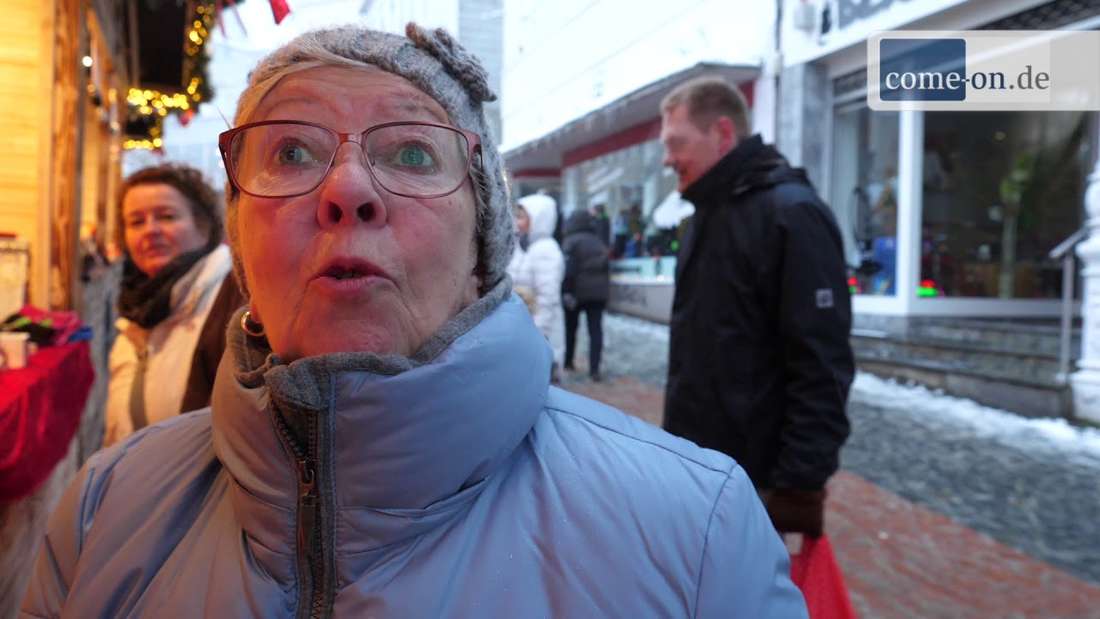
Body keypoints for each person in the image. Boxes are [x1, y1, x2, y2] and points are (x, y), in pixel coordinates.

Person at [21, 26, 806, 618]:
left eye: (413, 154)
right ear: (241, 243)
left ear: (481, 249)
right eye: (290, 152)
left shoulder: (696, 534)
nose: (347, 189)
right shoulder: (103, 510)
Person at [659, 76, 854, 539]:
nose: (667, 159)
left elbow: (821, 363)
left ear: (722, 133)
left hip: (757, 484)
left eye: (677, 143)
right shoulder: (704, 216)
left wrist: (799, 488)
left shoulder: (792, 214)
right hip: (700, 472)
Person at [103, 164, 245, 447]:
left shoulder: (232, 300)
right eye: (136, 222)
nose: (151, 230)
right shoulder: (138, 309)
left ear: (203, 226)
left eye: (167, 216)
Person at [509, 193, 565, 377]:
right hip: (526, 327)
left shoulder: (545, 250)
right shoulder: (524, 245)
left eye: (522, 217)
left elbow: (548, 297)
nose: (517, 222)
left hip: (540, 331)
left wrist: (539, 333)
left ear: (539, 219)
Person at [561, 208, 610, 381]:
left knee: (571, 328)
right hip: (598, 294)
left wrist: (567, 291)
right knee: (595, 331)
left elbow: (569, 270)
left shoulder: (570, 241)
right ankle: (594, 369)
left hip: (576, 292)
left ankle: (568, 361)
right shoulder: (599, 241)